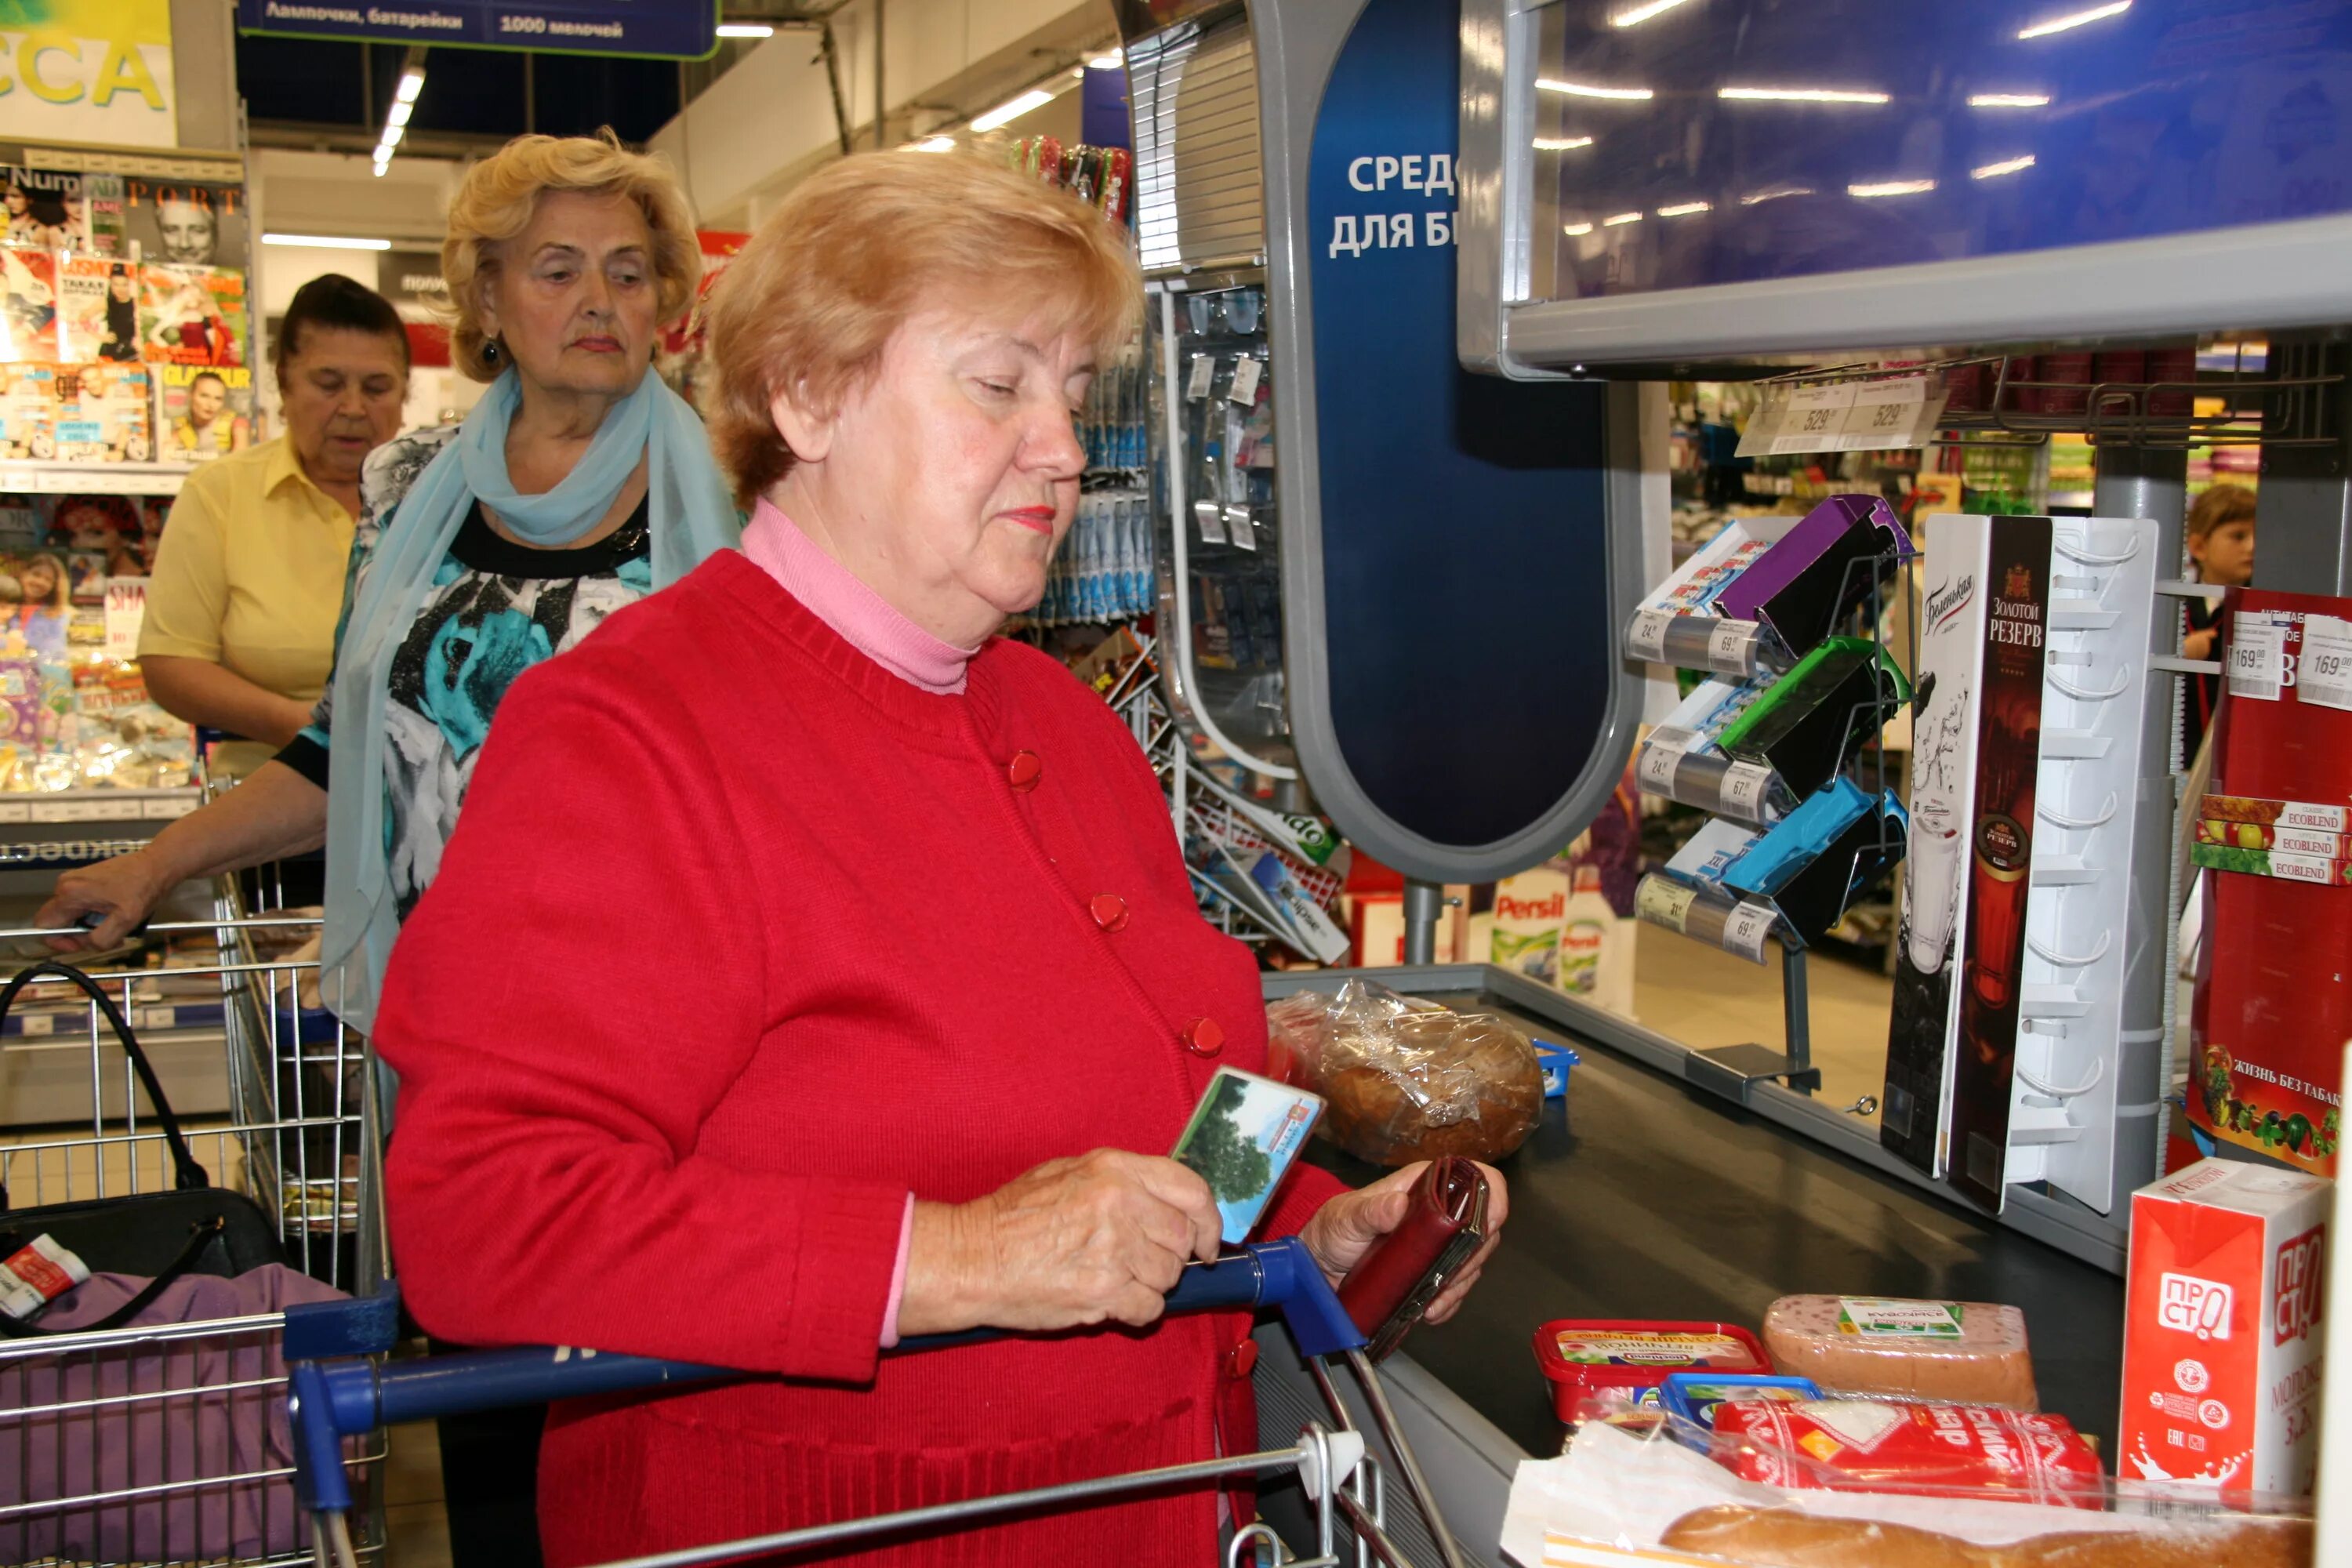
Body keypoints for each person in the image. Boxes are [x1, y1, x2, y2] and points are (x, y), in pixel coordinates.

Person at [371, 150, 1508, 1568]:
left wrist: (1310, 1225)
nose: (1063, 445)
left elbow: (1168, 1081)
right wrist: (960, 1258)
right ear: (809, 395)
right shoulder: (633, 733)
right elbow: (484, 1216)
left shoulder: (1063, 725)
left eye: (1075, 392)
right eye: (999, 384)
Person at [38, 131, 739, 1567]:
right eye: (558, 270)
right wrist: (154, 865)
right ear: (487, 299)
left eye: (628, 269)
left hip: (674, 1021)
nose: (599, 299)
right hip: (462, 1032)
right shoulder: (410, 483)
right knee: (478, 1376)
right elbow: (352, 750)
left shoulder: (733, 483)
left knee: (658, 1381)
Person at [132, 274, 408, 779]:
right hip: (266, 801)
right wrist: (314, 732)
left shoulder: (448, 501)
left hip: (422, 810)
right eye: (327, 385)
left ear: (404, 392)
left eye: (377, 388)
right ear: (284, 383)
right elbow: (170, 667)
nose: (352, 407)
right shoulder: (221, 494)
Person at [2181, 483, 2256, 762]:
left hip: (2240, 759)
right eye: (2238, 536)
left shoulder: (2262, 613)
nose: (2252, 547)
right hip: (2182, 759)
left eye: (2258, 535)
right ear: (2200, 546)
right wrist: (2181, 653)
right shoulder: (2175, 607)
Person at [172, 370, 252, 459]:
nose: (211, 404)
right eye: (204, 396)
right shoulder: (181, 427)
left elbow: (240, 463)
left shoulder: (236, 425)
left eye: (218, 399)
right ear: (191, 395)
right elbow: (166, 458)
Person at [97, 265, 140, 361]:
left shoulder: (137, 303)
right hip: (109, 352)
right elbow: (82, 318)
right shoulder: (106, 302)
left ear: (129, 285)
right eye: (116, 284)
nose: (120, 289)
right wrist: (100, 337)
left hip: (132, 353)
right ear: (111, 285)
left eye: (124, 285)